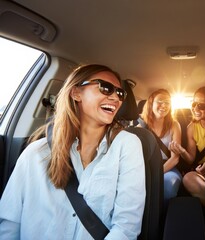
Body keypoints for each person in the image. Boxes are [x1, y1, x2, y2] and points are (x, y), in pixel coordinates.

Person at [0, 64, 146, 239]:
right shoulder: (36, 153)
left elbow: (126, 227)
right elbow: (10, 224)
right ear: (76, 93)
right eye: (105, 88)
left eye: (120, 93)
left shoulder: (127, 145)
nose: (116, 97)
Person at [170, 86, 205, 206]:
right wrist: (182, 150)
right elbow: (191, 159)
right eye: (194, 104)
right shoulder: (192, 127)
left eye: (201, 106)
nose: (195, 108)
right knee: (188, 178)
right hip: (202, 173)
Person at [139, 89, 182, 207]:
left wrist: (156, 174)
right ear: (151, 103)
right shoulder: (141, 126)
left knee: (168, 186)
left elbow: (175, 159)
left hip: (169, 166)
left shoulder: (174, 125)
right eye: (160, 101)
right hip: (146, 167)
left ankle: (163, 218)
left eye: (167, 102)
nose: (164, 105)